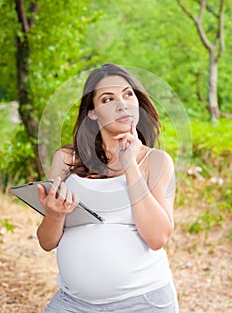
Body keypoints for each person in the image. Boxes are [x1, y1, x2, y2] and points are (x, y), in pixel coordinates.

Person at [37, 63, 179, 312]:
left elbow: (158, 238)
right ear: (92, 112)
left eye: (128, 94)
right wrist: (55, 214)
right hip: (72, 303)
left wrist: (129, 165)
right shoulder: (66, 160)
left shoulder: (156, 162)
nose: (122, 104)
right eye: (107, 99)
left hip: (143, 303)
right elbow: (47, 242)